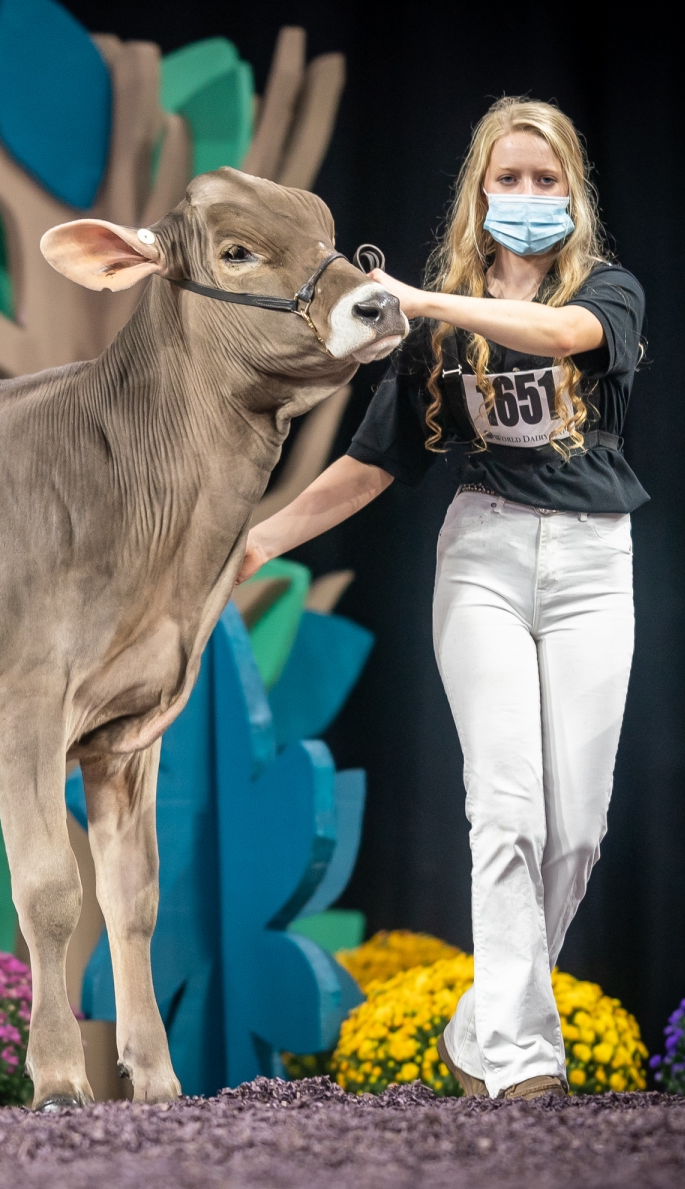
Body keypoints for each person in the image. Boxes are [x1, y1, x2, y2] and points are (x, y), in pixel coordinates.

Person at [240, 97, 645, 1100]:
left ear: (573, 192)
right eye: (508, 178)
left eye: (545, 178)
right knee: (505, 812)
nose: (527, 194)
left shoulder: (605, 289)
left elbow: (564, 334)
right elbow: (374, 463)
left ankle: (479, 1027)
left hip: (594, 565)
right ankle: (522, 1063)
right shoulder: (439, 329)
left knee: (578, 833)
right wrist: (262, 538)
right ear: (479, 191)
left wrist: (428, 302)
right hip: (485, 559)